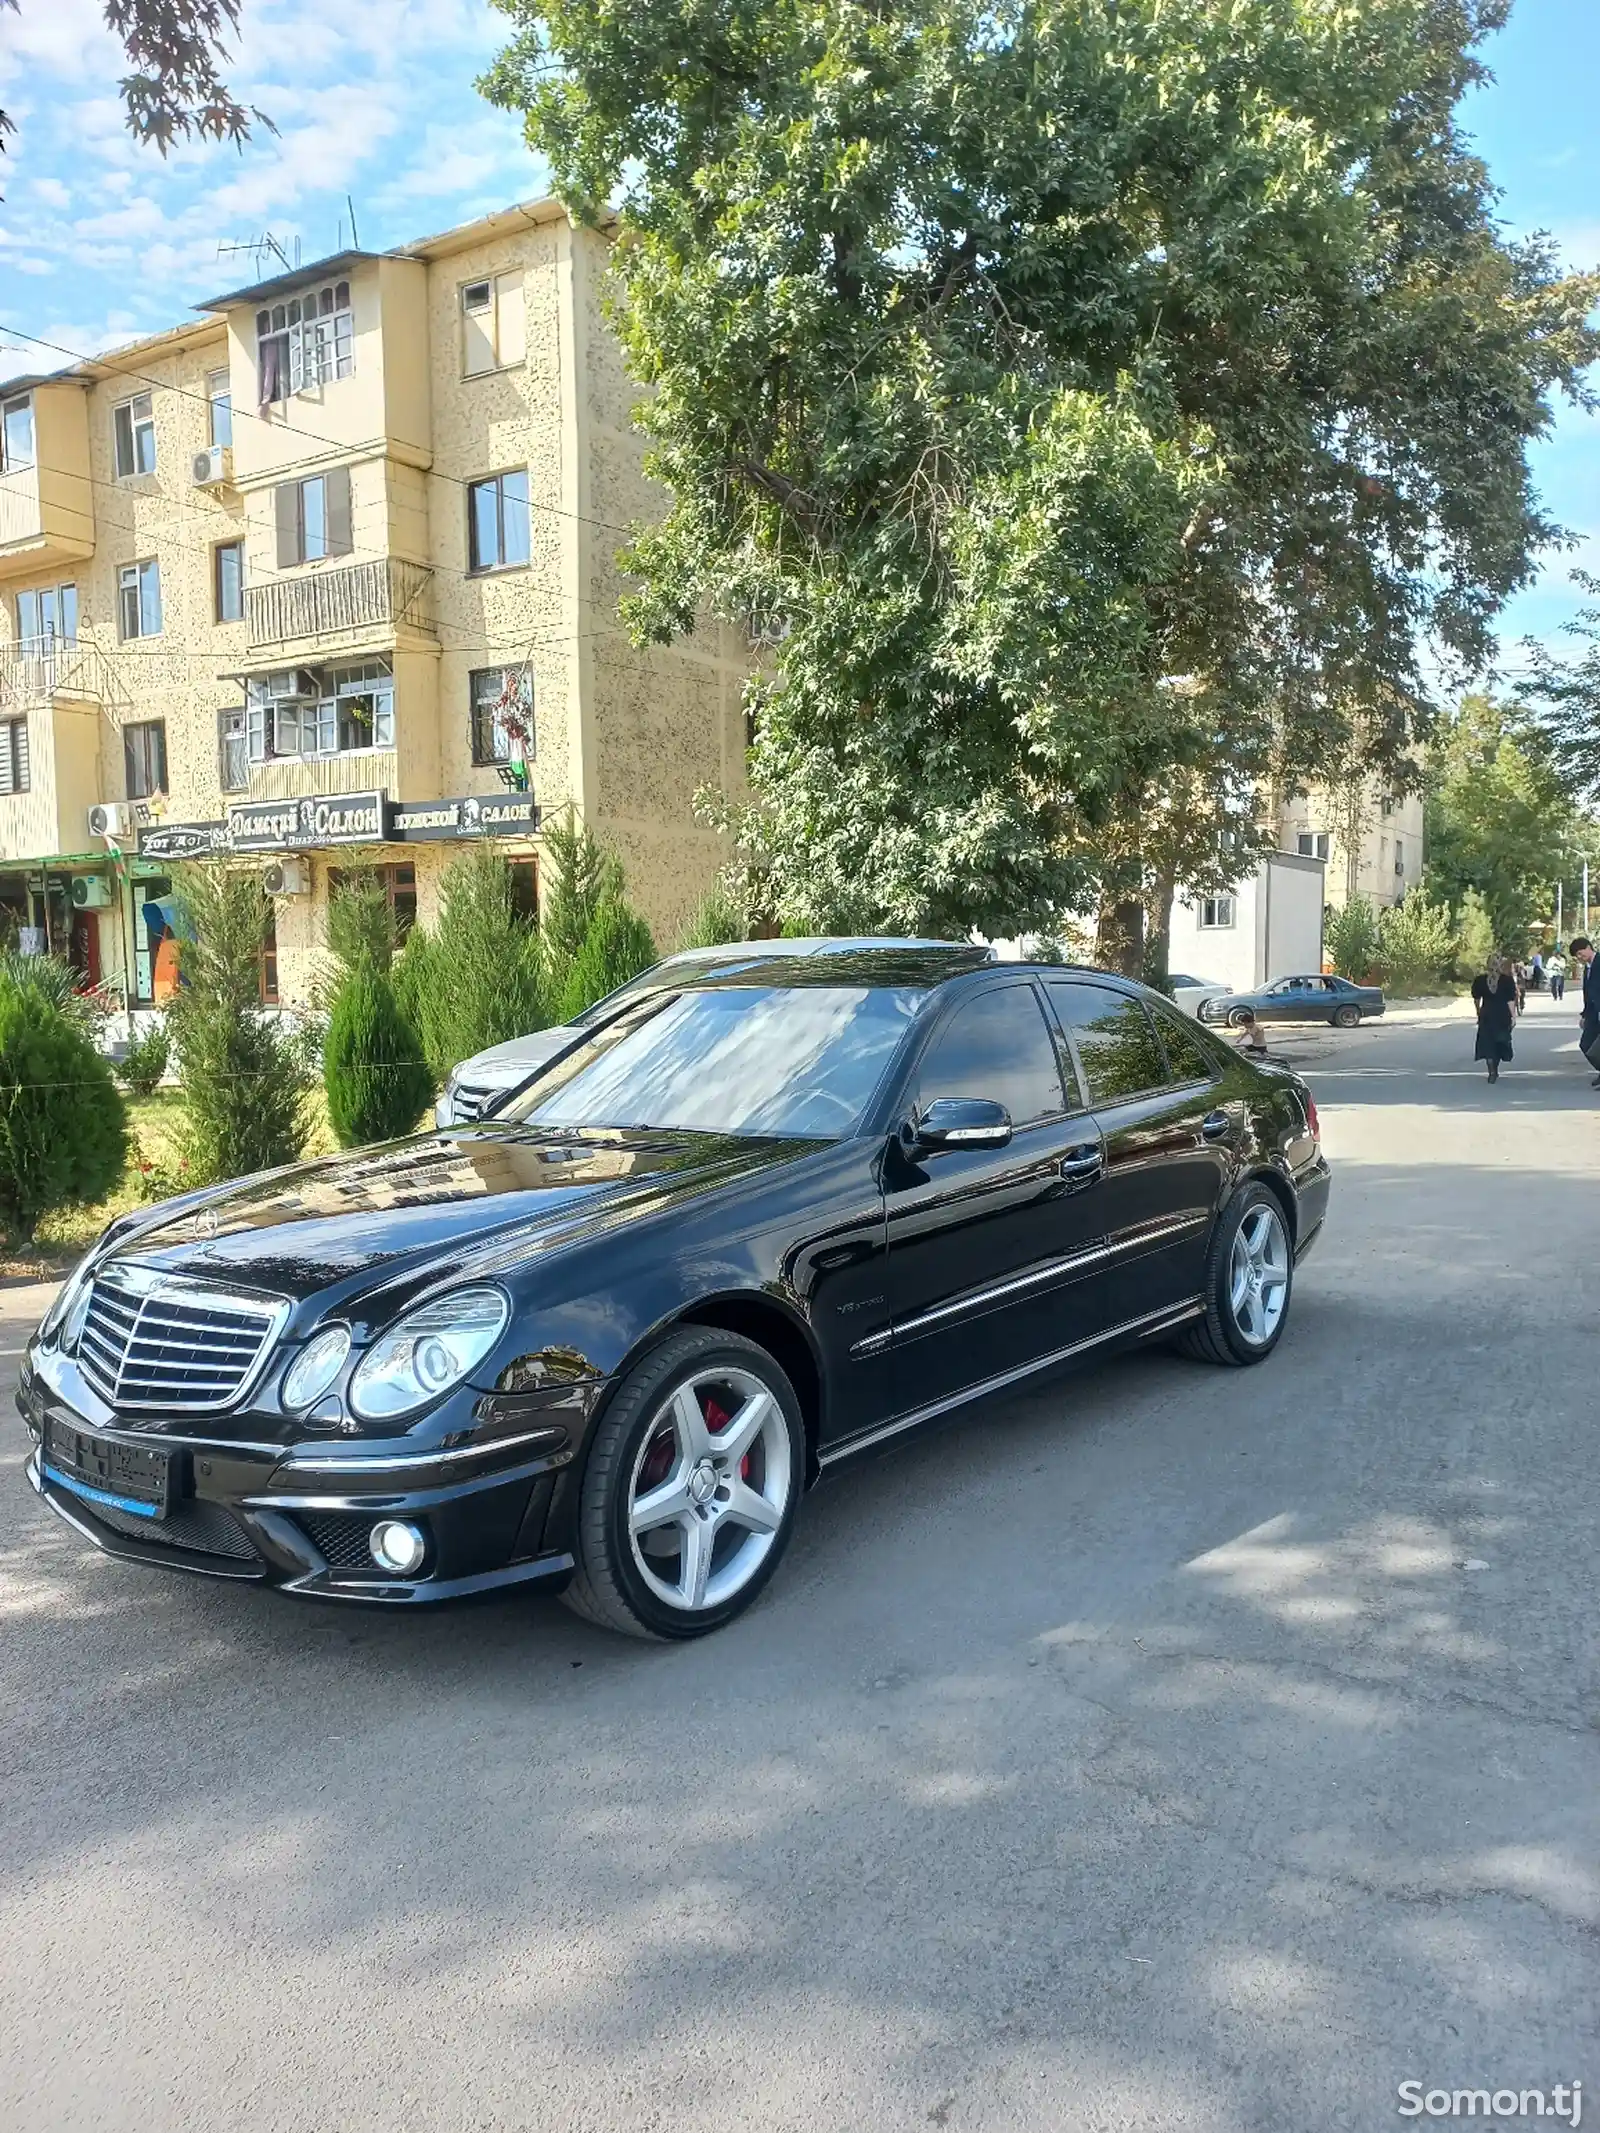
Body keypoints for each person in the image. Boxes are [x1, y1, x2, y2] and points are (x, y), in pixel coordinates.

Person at [1471, 952, 1518, 1084]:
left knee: (1487, 1043)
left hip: (1487, 1014)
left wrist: (1478, 1012)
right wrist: (1513, 1016)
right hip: (1502, 1014)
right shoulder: (1507, 980)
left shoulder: (1480, 980)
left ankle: (1492, 1071)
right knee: (1499, 1042)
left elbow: (1476, 998)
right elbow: (1510, 1000)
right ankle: (1495, 1068)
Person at [1571, 936, 1600, 1086]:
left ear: (1588, 947)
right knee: (1586, 1044)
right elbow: (1588, 994)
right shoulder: (1587, 969)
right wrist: (1585, 1014)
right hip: (1593, 1013)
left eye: (1581, 954)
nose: (1580, 958)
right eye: (1578, 956)